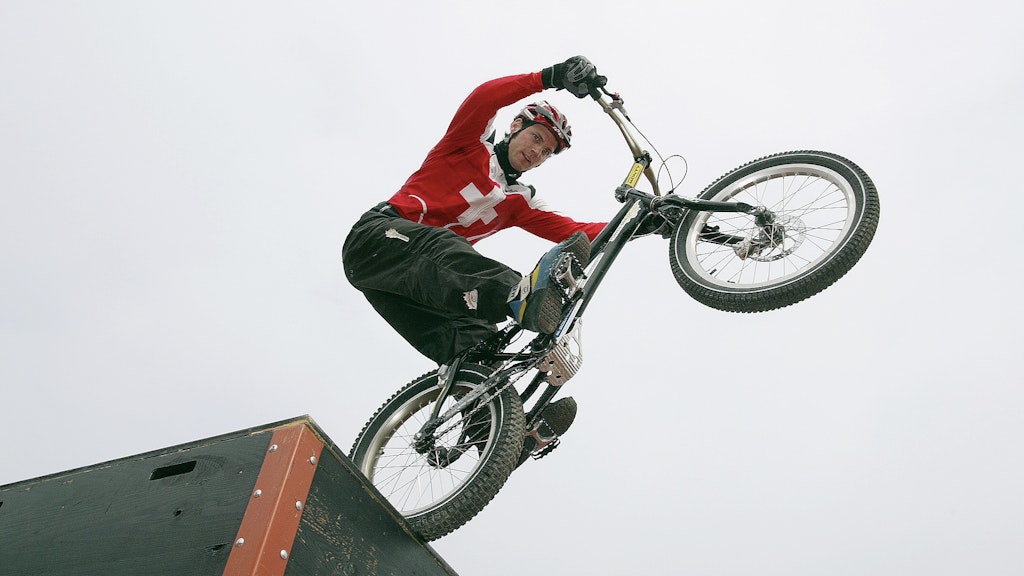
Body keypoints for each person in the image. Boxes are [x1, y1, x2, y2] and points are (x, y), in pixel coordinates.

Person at [342, 56, 609, 370]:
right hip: (379, 240)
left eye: (546, 152)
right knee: (448, 248)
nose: (537, 152)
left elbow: (575, 232)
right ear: (515, 126)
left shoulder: (520, 201)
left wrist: (643, 220)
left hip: (407, 282)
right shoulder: (469, 143)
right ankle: (520, 294)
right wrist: (549, 76)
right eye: (536, 138)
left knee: (477, 340)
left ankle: (489, 409)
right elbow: (485, 98)